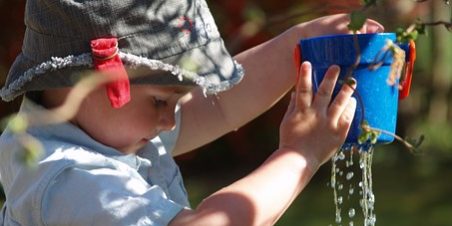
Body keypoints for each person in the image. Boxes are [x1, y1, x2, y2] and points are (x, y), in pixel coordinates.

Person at [0, 0, 384, 225]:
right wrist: (300, 155)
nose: (169, 120)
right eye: (161, 101)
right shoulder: (69, 179)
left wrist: (297, 45)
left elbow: (221, 105)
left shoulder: (98, 133)